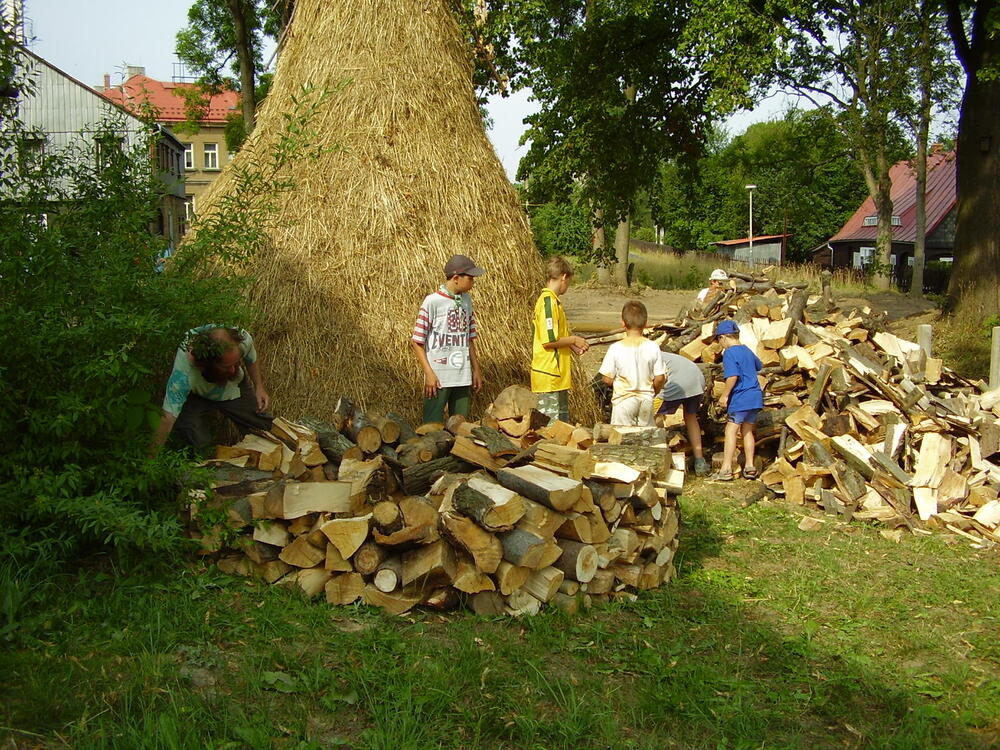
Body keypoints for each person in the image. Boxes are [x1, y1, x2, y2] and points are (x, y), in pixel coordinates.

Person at [150, 325, 272, 453]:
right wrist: (150, 461)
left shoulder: (242, 339)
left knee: (264, 429)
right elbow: (167, 417)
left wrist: (259, 387)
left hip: (233, 388)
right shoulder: (183, 374)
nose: (233, 370)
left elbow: (251, 358)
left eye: (236, 363)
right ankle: (208, 464)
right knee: (196, 437)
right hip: (197, 395)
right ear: (205, 363)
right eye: (226, 366)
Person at [411, 254, 484, 424]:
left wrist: (476, 369)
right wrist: (429, 374)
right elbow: (417, 341)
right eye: (470, 278)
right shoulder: (432, 302)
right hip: (439, 378)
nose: (473, 282)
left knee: (460, 426)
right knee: (432, 427)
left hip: (462, 375)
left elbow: (469, 338)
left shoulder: (467, 301)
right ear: (457, 278)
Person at [531, 256, 590, 422]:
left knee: (561, 426)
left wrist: (573, 347)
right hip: (549, 375)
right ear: (564, 277)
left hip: (557, 377)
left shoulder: (555, 303)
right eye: (569, 281)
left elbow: (557, 335)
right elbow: (548, 341)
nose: (568, 286)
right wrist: (573, 340)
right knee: (550, 428)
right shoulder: (548, 303)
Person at [599, 301, 666, 426]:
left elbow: (607, 379)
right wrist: (653, 391)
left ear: (623, 323)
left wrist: (617, 383)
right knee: (646, 438)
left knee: (623, 438)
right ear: (646, 324)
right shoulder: (653, 347)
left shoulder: (616, 348)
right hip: (646, 400)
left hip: (623, 400)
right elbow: (660, 378)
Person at [713, 319, 763, 481]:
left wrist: (725, 395)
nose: (720, 344)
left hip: (741, 396)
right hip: (755, 396)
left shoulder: (729, 353)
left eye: (719, 340)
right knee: (747, 431)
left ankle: (726, 468)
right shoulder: (746, 350)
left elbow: (733, 376)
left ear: (724, 337)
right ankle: (749, 467)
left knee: (730, 430)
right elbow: (759, 366)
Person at [655, 352, 710, 476]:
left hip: (678, 382)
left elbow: (657, 380)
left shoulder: (646, 356)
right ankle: (700, 461)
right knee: (690, 417)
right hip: (697, 380)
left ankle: (657, 457)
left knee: (653, 415)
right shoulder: (661, 354)